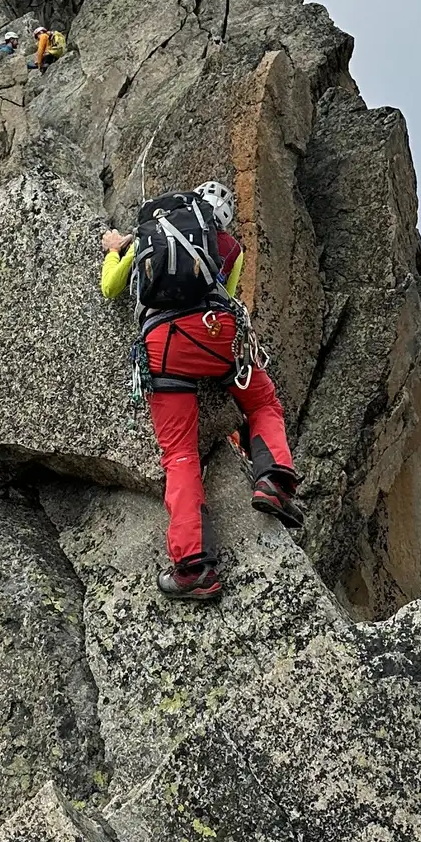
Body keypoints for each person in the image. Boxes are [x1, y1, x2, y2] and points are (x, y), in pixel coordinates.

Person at [100, 179, 302, 602]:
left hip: (165, 344)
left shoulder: (150, 235)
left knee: (179, 453)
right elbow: (226, 296)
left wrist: (113, 251)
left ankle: (195, 568)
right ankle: (274, 483)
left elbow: (111, 288)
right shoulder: (230, 248)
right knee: (262, 401)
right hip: (218, 334)